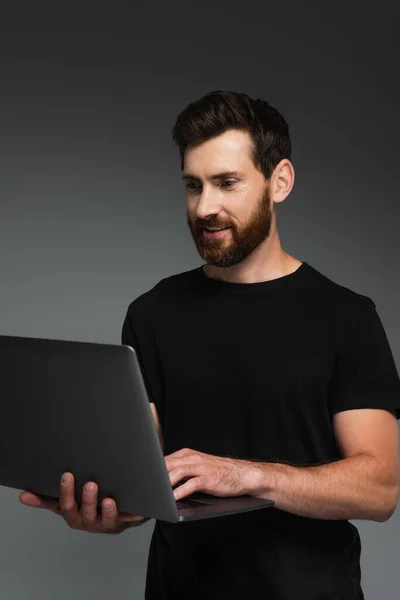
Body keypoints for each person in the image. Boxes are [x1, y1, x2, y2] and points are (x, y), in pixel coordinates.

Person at [20, 90, 400, 599]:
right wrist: (108, 510)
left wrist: (246, 475)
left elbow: (380, 488)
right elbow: (147, 477)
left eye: (226, 183)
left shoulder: (347, 317)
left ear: (279, 181)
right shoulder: (152, 313)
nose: (205, 207)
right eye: (192, 186)